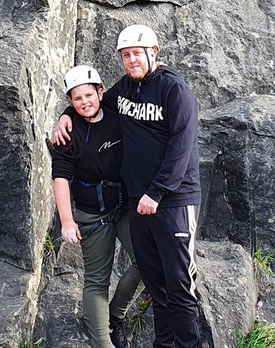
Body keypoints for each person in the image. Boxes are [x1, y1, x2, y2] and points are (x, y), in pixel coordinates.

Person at [55, 25, 200, 348]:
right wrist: (66, 114)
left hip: (172, 201)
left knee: (179, 285)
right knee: (156, 284)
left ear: (154, 52)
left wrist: (157, 192)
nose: (131, 60)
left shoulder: (173, 90)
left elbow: (182, 147)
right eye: (125, 55)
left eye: (137, 53)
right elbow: (89, 101)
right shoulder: (124, 89)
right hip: (138, 203)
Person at [51, 64, 143, 348]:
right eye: (76, 100)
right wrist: (67, 222)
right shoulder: (68, 134)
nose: (84, 103)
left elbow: (136, 79)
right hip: (92, 215)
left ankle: (116, 315)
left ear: (100, 92)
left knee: (148, 261)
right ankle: (103, 343)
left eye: (88, 95)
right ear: (70, 101)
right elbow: (61, 178)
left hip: (124, 207)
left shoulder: (117, 111)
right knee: (96, 281)